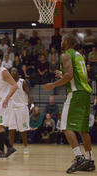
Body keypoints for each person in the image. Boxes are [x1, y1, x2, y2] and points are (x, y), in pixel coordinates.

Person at [43, 34, 95, 173]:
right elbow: (78, 75)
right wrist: (63, 75)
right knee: (83, 129)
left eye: (61, 40)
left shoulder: (65, 55)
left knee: (65, 126)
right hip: (85, 93)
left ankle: (79, 158)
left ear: (66, 42)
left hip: (75, 93)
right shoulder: (79, 56)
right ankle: (90, 161)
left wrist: (53, 85)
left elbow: (70, 76)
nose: (60, 42)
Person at [9, 68, 33, 154]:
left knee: (23, 130)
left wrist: (31, 105)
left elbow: (29, 94)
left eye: (14, 71)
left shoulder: (23, 82)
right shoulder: (9, 82)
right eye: (11, 71)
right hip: (12, 108)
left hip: (22, 108)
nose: (13, 72)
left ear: (18, 73)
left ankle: (26, 147)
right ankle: (11, 148)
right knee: (11, 129)